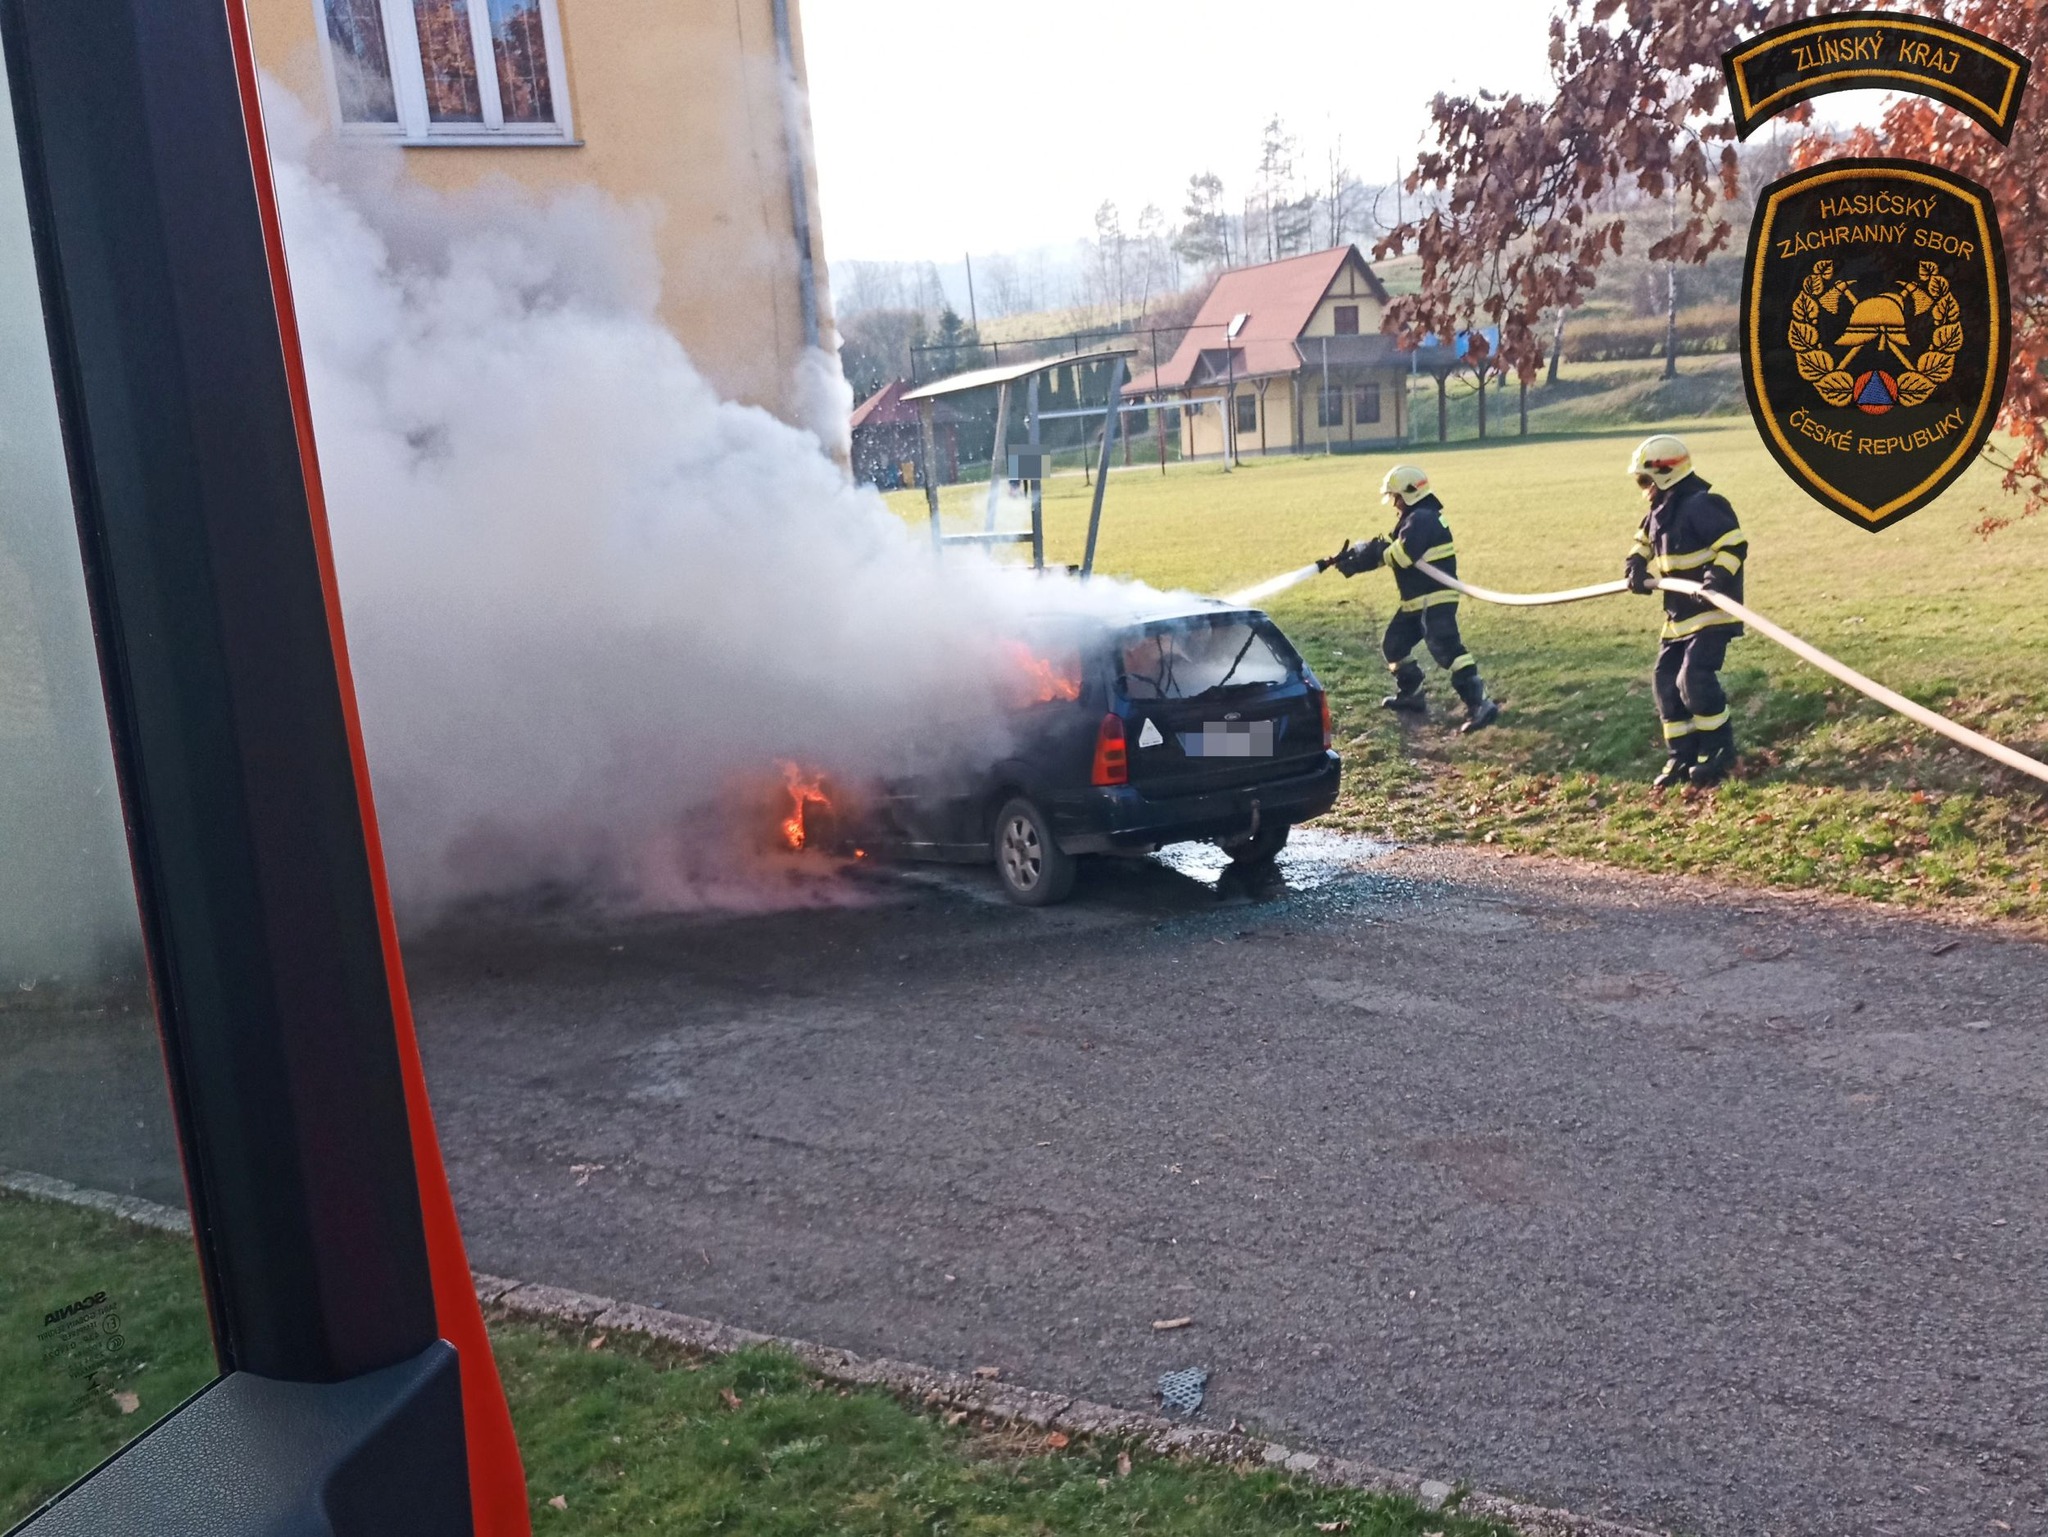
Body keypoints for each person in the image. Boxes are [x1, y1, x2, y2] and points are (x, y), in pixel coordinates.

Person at [1320, 464, 1500, 733]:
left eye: (1396, 497)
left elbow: (1403, 555)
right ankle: (1412, 695)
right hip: (1416, 601)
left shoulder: (1422, 518)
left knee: (1446, 648)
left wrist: (1375, 551)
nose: (1394, 504)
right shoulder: (1417, 518)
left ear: (1409, 493)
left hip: (1434, 598)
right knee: (1394, 645)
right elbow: (1394, 553)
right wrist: (1360, 559)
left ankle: (1480, 704)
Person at [1622, 434, 1748, 789]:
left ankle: (1718, 750)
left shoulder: (1704, 504)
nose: (1643, 488)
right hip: (1677, 616)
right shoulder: (1658, 511)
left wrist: (1714, 579)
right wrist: (1635, 567)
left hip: (1710, 614)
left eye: (1645, 480)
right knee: (1665, 683)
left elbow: (1734, 545)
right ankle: (1682, 755)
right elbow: (1641, 543)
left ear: (1665, 474)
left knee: (1693, 679)